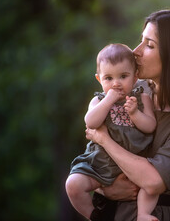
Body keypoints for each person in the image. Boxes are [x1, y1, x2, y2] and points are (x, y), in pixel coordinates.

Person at [85, 9, 170, 221]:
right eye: (141, 41)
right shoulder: (131, 91)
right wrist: (105, 188)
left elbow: (154, 181)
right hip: (107, 213)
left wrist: (103, 138)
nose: (135, 52)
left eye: (149, 45)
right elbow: (94, 158)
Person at [65, 43, 158, 221]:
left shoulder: (142, 98)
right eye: (108, 78)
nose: (116, 84)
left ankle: (143, 214)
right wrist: (108, 101)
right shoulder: (98, 101)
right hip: (99, 164)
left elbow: (150, 126)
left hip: (132, 164)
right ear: (99, 79)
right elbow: (90, 122)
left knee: (151, 184)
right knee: (73, 184)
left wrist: (135, 113)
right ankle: (96, 216)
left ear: (135, 76)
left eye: (123, 76)